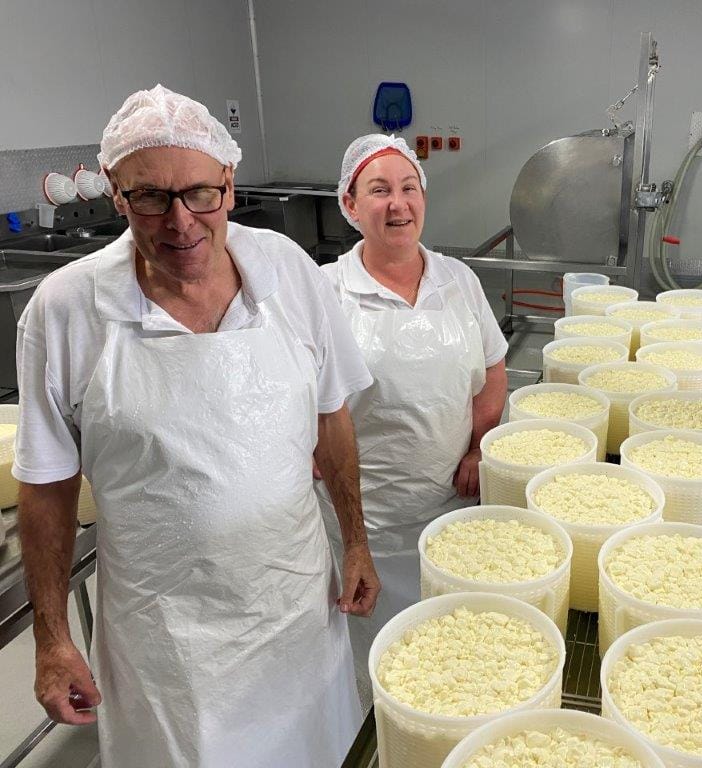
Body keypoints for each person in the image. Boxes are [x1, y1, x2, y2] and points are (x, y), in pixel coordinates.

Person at [15, 85, 379, 767]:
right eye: (150, 197)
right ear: (116, 197)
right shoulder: (65, 312)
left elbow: (331, 418)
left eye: (199, 194)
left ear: (230, 186)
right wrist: (53, 638)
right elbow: (46, 484)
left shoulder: (289, 272)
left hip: (294, 611)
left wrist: (355, 542)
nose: (180, 222)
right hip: (169, 651)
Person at [322, 134, 508, 697]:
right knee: (382, 667)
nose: (397, 204)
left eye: (409, 188)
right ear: (351, 206)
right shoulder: (328, 293)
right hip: (366, 525)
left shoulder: (458, 281)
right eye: (379, 190)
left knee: (450, 657)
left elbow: (494, 370)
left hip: (452, 512)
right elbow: (306, 406)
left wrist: (479, 448)